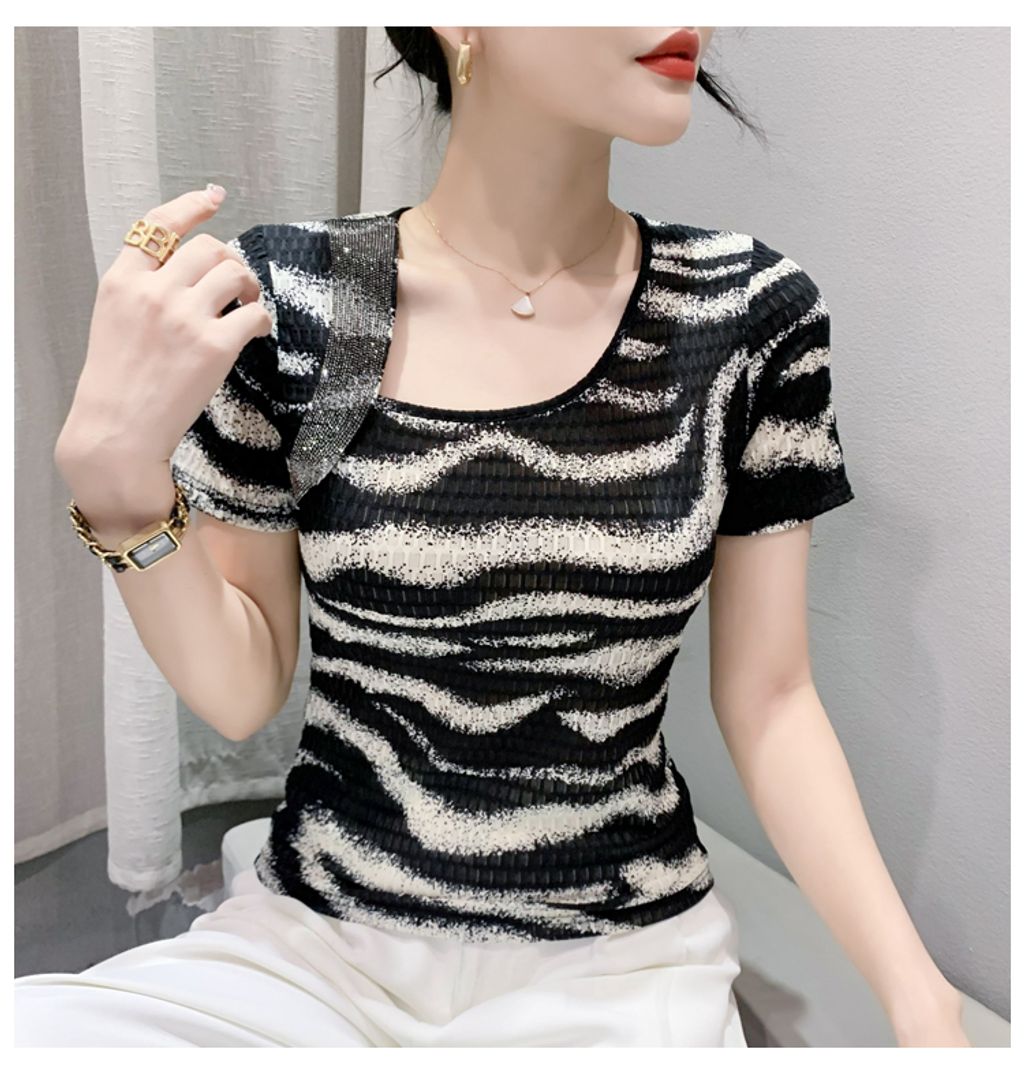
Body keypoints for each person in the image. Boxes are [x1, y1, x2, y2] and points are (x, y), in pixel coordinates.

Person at [17, 27, 967, 1048]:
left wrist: (921, 1002)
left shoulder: (742, 314)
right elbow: (244, 687)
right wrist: (121, 496)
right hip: (318, 943)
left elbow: (771, 697)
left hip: (615, 958)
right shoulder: (300, 298)